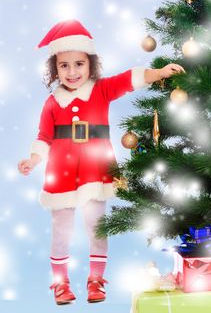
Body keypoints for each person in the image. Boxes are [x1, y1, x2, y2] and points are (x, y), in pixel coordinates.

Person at [17, 19, 185, 305]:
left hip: (95, 171)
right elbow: (44, 136)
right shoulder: (52, 103)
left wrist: (157, 73)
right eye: (64, 65)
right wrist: (33, 159)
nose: (72, 72)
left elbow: (130, 79)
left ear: (91, 64)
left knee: (97, 226)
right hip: (61, 173)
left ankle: (96, 280)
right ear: (54, 69)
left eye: (79, 64)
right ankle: (60, 284)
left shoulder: (102, 90)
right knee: (61, 229)